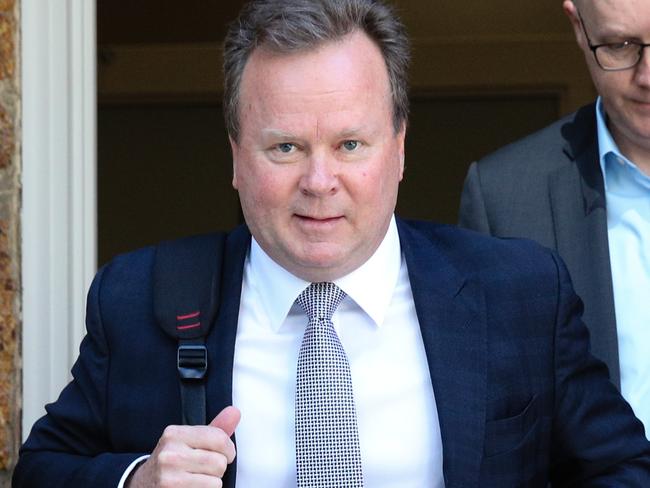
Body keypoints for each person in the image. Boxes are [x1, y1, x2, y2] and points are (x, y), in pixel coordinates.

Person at [14, 0, 650, 486]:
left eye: (350, 144)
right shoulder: (141, 296)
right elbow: (43, 468)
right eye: (285, 146)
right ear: (236, 156)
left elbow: (623, 469)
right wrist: (137, 479)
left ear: (399, 149)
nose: (320, 183)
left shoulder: (520, 293)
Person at [459, 0, 650, 439]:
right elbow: (494, 422)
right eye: (620, 46)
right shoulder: (503, 197)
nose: (646, 77)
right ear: (579, 28)